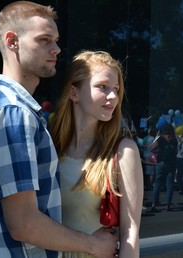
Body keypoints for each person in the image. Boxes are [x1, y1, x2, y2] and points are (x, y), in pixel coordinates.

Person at [0, 2, 118, 258]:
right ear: (12, 41)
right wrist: (94, 245)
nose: (56, 49)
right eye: (44, 40)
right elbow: (24, 223)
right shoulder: (13, 113)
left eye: (56, 40)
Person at [50, 50, 143, 257]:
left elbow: (130, 232)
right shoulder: (49, 146)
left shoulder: (123, 151)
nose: (113, 97)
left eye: (116, 89)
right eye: (102, 87)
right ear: (74, 93)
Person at [148, 123, 178, 211]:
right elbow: (176, 151)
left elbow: (151, 148)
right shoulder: (174, 140)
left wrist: (158, 151)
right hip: (171, 163)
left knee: (157, 183)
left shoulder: (160, 139)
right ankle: (168, 205)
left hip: (160, 162)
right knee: (169, 184)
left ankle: (154, 204)